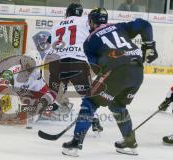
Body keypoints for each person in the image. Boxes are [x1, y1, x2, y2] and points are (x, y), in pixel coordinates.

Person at [62, 8, 158, 156]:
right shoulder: (120, 27)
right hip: (137, 73)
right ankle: (129, 142)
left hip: (116, 72)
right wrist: (149, 45)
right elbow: (145, 24)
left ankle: (75, 143)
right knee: (117, 105)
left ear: (91, 22)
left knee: (90, 102)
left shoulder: (89, 42)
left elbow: (96, 68)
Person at [45, 3, 103, 132]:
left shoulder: (57, 24)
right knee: (88, 95)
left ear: (68, 12)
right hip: (77, 62)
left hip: (57, 64)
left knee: (54, 93)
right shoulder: (86, 20)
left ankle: (46, 108)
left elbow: (49, 42)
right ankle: (94, 119)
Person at [0, 52, 56, 124]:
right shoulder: (13, 66)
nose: (31, 70)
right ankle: (4, 113)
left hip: (11, 92)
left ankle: (10, 111)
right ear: (24, 61)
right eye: (30, 66)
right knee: (13, 104)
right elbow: (1, 87)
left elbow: (46, 92)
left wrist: (48, 102)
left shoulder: (35, 74)